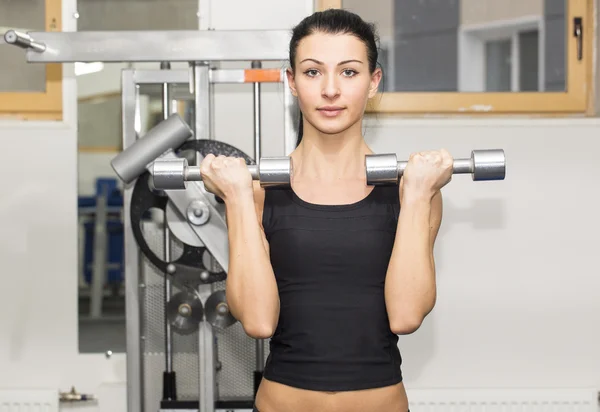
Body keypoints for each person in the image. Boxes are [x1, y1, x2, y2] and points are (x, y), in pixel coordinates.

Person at [200, 8, 453, 412]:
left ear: (373, 82)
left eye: (349, 72)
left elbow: (405, 315)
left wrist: (420, 193)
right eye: (313, 72)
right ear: (292, 82)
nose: (330, 90)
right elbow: (258, 322)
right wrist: (237, 200)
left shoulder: (412, 192)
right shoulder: (259, 193)